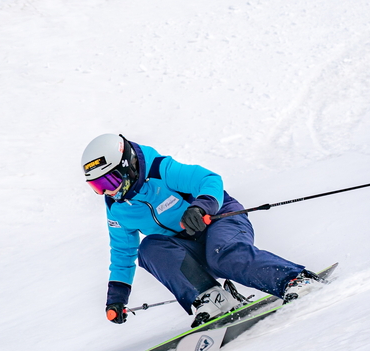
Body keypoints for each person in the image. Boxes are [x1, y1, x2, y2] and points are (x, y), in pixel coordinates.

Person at [82, 133, 320, 326]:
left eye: (109, 182)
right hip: (187, 246)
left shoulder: (160, 170)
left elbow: (209, 180)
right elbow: (123, 254)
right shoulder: (117, 208)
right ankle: (212, 298)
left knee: (222, 254)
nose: (107, 192)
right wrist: (117, 298)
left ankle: (296, 280)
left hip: (219, 218)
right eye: (97, 186)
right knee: (149, 248)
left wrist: (200, 207)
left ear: (126, 166)